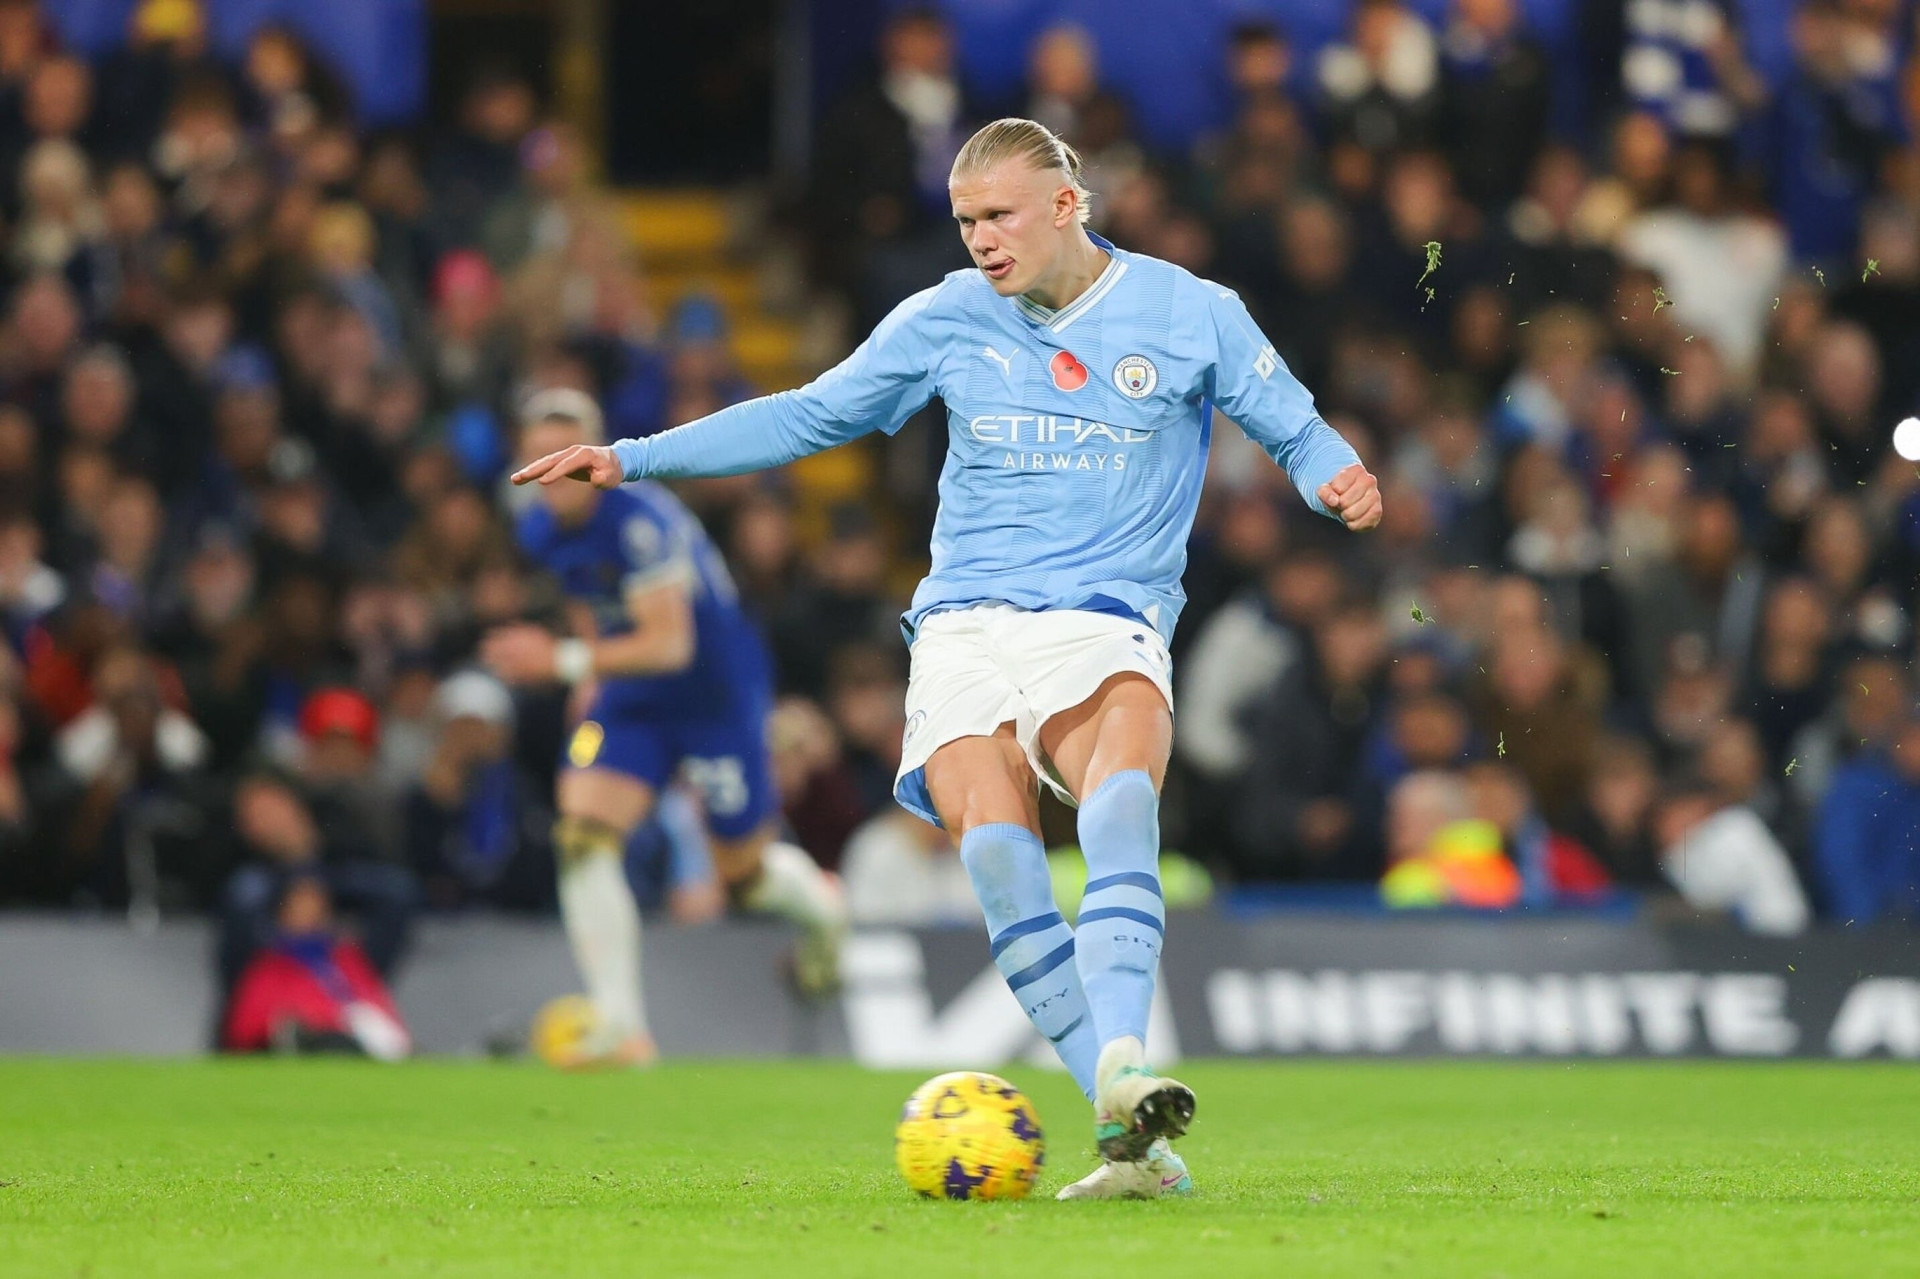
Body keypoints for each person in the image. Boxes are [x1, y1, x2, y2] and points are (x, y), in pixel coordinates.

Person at [512, 119, 1382, 1199]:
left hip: (1103, 614)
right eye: (967, 220)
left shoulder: (1192, 312)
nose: (980, 239)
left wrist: (1334, 474)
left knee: (1120, 795)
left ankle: (1122, 1057)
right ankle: (1138, 1143)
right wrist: (634, 457)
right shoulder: (946, 318)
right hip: (966, 625)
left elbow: (1292, 426)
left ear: (1068, 205)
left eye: (1000, 215)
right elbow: (812, 414)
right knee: (998, 859)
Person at [485, 388, 848, 1069]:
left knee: (742, 878)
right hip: (631, 694)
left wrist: (564, 660)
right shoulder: (538, 524)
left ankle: (823, 904)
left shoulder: (639, 521)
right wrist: (591, 673)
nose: (551, 469)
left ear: (590, 457)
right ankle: (621, 1026)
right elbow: (591, 598)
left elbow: (672, 642)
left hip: (713, 695)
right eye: (538, 453)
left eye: (564, 452)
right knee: (582, 835)